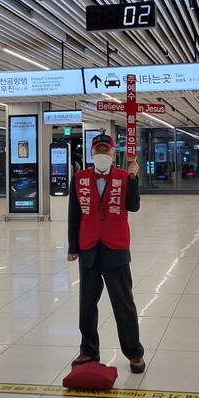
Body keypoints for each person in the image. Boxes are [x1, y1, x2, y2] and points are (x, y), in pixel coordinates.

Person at [67, 133, 145, 373]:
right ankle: (89, 349)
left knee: (123, 303)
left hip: (116, 248)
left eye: (106, 150)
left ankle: (134, 352)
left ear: (114, 154)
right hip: (89, 247)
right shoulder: (79, 178)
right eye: (98, 150)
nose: (102, 154)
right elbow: (74, 214)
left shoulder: (124, 177)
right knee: (87, 305)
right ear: (92, 154)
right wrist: (73, 247)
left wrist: (134, 179)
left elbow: (133, 206)